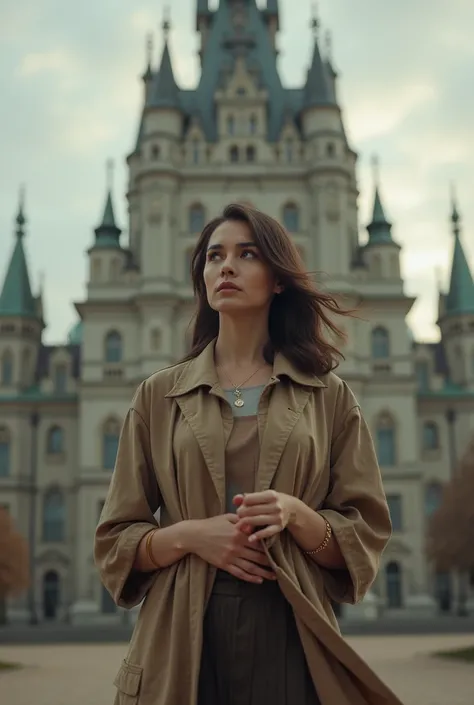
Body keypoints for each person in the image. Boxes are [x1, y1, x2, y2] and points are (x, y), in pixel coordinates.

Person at [94, 203, 404, 705]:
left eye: (247, 254)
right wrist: (192, 535)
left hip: (291, 630)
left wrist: (299, 515)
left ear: (278, 278)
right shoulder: (157, 395)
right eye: (214, 256)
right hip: (180, 636)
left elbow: (363, 538)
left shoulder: (329, 396)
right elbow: (114, 541)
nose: (227, 267)